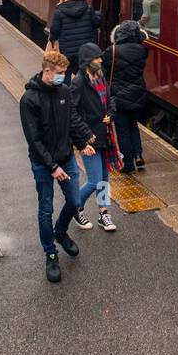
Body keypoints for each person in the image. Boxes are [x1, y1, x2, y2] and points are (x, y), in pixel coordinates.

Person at [20, 49, 96, 282]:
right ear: (47, 71)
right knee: (45, 209)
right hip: (44, 165)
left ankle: (60, 232)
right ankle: (50, 253)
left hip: (66, 158)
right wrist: (52, 167)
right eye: (60, 73)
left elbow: (70, 121)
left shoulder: (63, 92)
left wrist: (82, 142)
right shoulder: (29, 100)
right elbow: (33, 139)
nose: (64, 76)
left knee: (74, 201)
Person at [72, 42, 118, 232]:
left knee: (104, 179)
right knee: (94, 180)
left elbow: (110, 98)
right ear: (87, 61)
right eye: (96, 58)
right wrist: (85, 134)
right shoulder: (78, 83)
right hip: (89, 138)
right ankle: (75, 207)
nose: (100, 60)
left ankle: (103, 213)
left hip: (104, 134)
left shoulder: (100, 75)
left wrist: (111, 113)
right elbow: (72, 112)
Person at [102, 20, 148, 172]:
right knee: (133, 125)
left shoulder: (112, 51)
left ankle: (128, 164)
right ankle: (138, 155)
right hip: (138, 95)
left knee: (122, 130)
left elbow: (105, 72)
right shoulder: (142, 50)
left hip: (118, 96)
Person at [48, 0, 100, 83]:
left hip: (68, 51)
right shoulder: (88, 9)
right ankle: (83, 94)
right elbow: (96, 23)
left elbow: (54, 32)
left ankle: (65, 94)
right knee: (85, 74)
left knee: (65, 72)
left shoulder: (59, 12)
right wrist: (98, 14)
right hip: (86, 51)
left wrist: (53, 42)